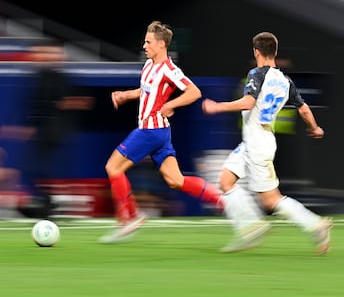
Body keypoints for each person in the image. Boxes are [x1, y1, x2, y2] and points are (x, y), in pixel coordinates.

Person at [202, 31, 332, 255]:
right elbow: (303, 108)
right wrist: (315, 128)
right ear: (275, 52)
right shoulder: (284, 80)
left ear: (256, 52)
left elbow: (248, 102)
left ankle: (316, 225)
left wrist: (218, 106)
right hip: (256, 139)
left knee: (272, 200)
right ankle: (249, 227)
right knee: (225, 181)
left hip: (257, 143)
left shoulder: (256, 74)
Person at [99, 21, 223, 243]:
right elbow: (146, 91)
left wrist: (172, 104)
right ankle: (221, 200)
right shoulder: (148, 66)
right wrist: (126, 95)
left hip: (150, 130)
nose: (144, 45)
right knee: (175, 180)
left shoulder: (170, 70)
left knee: (113, 167)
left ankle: (129, 217)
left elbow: (194, 92)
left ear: (161, 44)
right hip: (160, 133)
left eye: (148, 42)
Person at [18, 39, 94, 218]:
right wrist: (30, 126)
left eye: (45, 52)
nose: (39, 56)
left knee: (58, 170)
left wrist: (63, 104)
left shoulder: (64, 78)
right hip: (44, 133)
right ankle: (44, 204)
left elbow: (84, 102)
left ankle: (56, 206)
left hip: (59, 132)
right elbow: (34, 106)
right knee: (32, 169)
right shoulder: (36, 77)